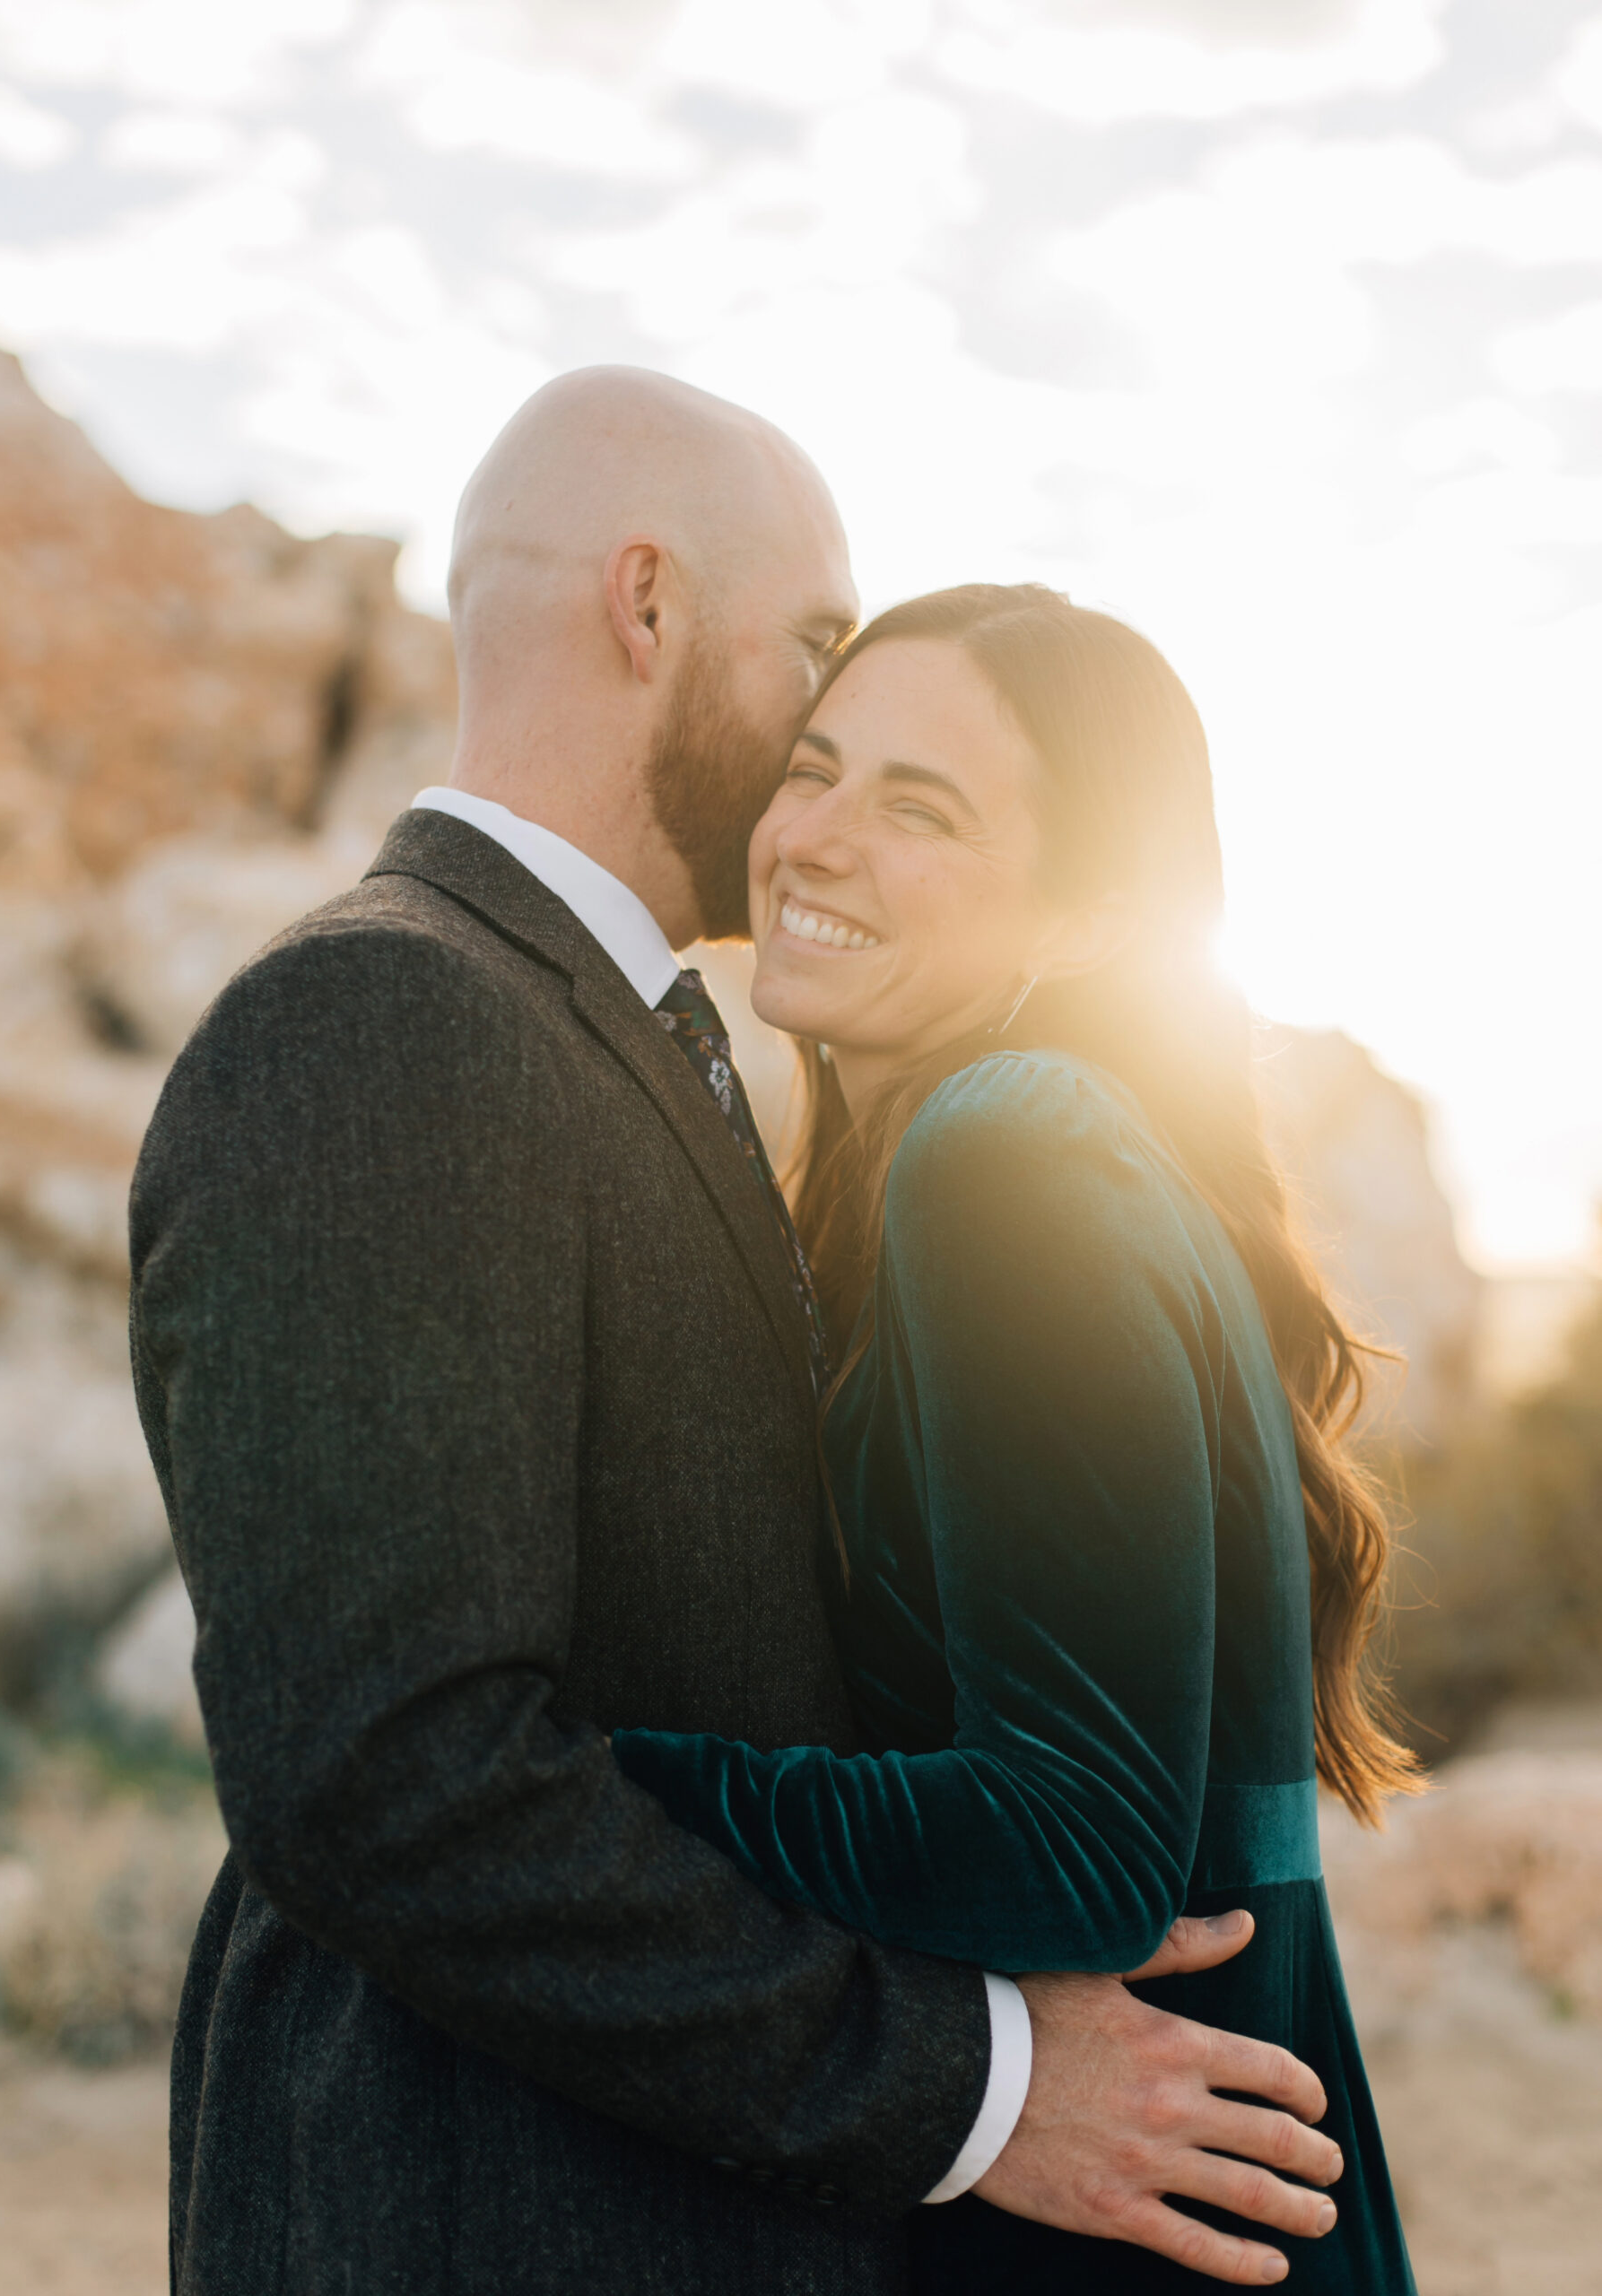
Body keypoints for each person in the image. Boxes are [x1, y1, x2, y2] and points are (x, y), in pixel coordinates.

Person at [129, 374, 1342, 2296]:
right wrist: (972, 2080)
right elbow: (381, 1772)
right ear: (648, 607)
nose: (812, 749)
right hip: (480, 2216)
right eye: (813, 654)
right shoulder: (384, 1020)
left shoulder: (647, 1054)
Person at [609, 583, 1421, 2291]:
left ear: (1088, 919)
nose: (814, 839)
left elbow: (1073, 1853)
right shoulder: (1053, 1151)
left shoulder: (1006, 1155)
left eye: (921, 808)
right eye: (814, 769)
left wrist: (593, 1772)